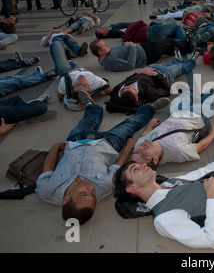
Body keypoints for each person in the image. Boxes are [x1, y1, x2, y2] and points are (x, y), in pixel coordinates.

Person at [35, 95, 169, 225]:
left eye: (83, 193)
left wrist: (55, 148)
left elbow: (47, 170)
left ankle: (90, 105)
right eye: (92, 194)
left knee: (88, 119)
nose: (89, 188)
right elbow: (117, 166)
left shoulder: (47, 191)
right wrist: (127, 148)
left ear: (65, 199)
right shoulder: (104, 186)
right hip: (109, 142)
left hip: (76, 140)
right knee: (131, 123)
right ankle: (150, 107)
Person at [129, 89, 214, 167]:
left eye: (136, 152)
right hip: (196, 117)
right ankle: (208, 95)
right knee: (210, 100)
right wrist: (213, 134)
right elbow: (200, 147)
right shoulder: (177, 152)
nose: (140, 149)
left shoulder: (141, 144)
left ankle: (191, 93)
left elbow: (144, 135)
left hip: (175, 114)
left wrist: (150, 125)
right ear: (156, 159)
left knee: (181, 99)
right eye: (143, 155)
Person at [105, 52, 197, 113]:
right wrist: (154, 74)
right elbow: (167, 89)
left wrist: (138, 72)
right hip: (163, 74)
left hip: (150, 68)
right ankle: (193, 60)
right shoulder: (150, 93)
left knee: (166, 64)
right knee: (181, 67)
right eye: (134, 89)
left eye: (127, 87)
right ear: (137, 98)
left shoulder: (117, 91)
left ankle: (176, 60)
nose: (132, 85)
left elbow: (128, 80)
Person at [90, 37, 193, 71]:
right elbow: (130, 65)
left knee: (168, 49)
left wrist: (127, 44)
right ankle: (188, 42)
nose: (107, 45)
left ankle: (189, 49)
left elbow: (122, 51)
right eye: (105, 46)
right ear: (100, 52)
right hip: (148, 54)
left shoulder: (105, 56)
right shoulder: (110, 61)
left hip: (144, 48)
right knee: (169, 41)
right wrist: (132, 46)